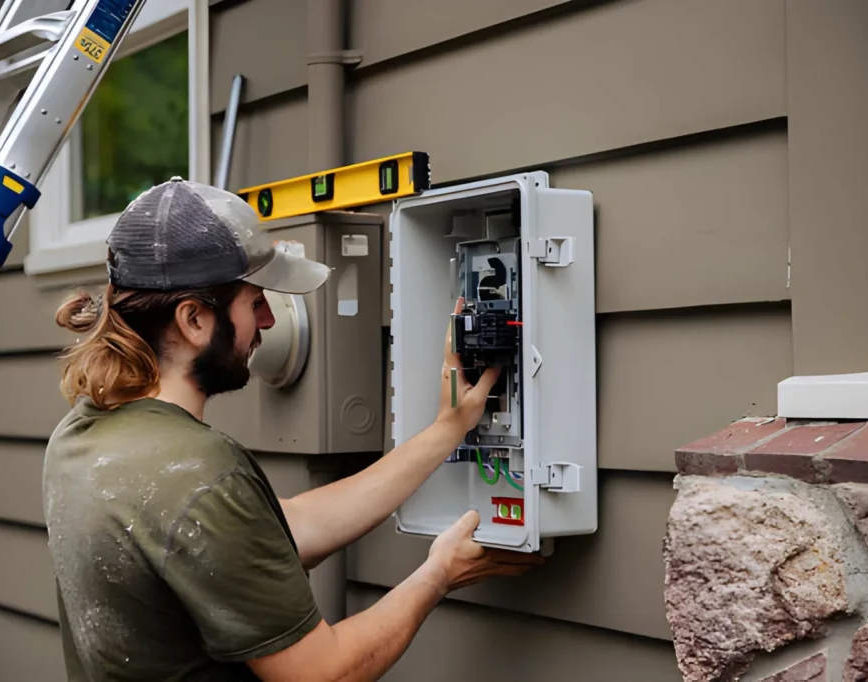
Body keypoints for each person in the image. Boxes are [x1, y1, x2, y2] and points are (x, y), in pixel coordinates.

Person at [43, 177, 542, 681]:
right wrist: (440, 574)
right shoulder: (199, 472)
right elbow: (322, 673)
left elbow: (273, 534)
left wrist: (446, 429)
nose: (266, 320)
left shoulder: (83, 434)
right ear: (194, 319)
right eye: (254, 301)